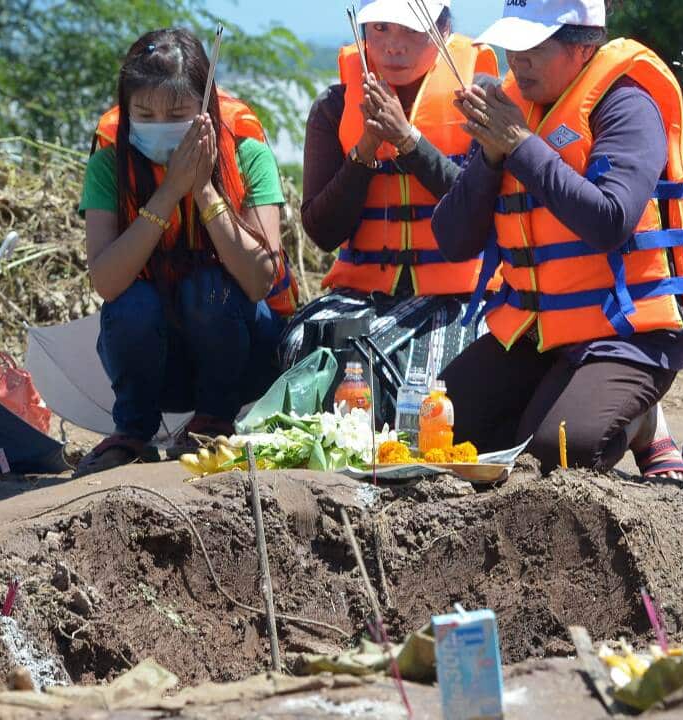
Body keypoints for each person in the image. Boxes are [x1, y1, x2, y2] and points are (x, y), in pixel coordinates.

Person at [432, 0, 683, 477]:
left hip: (625, 333)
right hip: (539, 332)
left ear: (584, 48)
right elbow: (453, 241)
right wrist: (490, 157)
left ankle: (643, 422)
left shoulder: (627, 103)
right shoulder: (511, 106)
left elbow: (609, 220)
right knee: (442, 433)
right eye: (513, 46)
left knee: (558, 455)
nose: (516, 60)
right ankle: (557, 403)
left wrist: (521, 146)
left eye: (533, 47)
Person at [75, 28, 294, 476]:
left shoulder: (246, 148)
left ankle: (215, 421)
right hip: (158, 363)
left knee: (209, 287)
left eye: (177, 113)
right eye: (144, 113)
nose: (160, 126)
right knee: (131, 303)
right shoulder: (109, 159)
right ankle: (133, 433)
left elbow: (258, 280)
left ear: (206, 108)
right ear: (126, 110)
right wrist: (168, 193)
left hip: (244, 353)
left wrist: (204, 191)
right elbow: (107, 282)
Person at [283, 0, 498, 413]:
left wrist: (408, 142)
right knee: (302, 344)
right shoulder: (333, 106)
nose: (394, 46)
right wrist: (365, 148)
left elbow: (481, 213)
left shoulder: (482, 96)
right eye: (380, 28)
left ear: (443, 30)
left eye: (412, 30)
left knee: (428, 370)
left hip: (460, 296)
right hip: (363, 297)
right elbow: (323, 232)